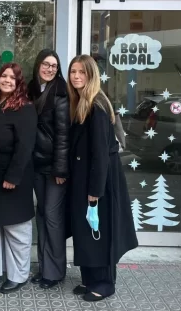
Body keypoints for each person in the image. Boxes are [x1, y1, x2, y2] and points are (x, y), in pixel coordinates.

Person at [67, 55, 138, 302]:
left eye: (82, 72)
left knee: (99, 233)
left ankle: (105, 283)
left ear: (91, 75)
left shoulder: (96, 106)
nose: (76, 76)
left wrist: (95, 191)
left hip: (98, 181)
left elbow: (99, 153)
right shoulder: (83, 102)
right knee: (87, 231)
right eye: (73, 71)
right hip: (86, 178)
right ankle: (89, 279)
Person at [0, 63, 37, 294]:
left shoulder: (25, 108)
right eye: (4, 76)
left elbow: (25, 146)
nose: (7, 80)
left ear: (19, 82)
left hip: (12, 177)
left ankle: (19, 275)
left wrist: (13, 176)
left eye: (13, 78)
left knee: (16, 228)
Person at [27, 49, 69, 289]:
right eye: (46, 64)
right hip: (36, 164)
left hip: (54, 169)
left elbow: (63, 135)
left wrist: (60, 170)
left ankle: (54, 272)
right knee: (42, 215)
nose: (50, 69)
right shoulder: (31, 89)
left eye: (54, 66)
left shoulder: (61, 92)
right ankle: (45, 268)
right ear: (38, 65)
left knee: (52, 218)